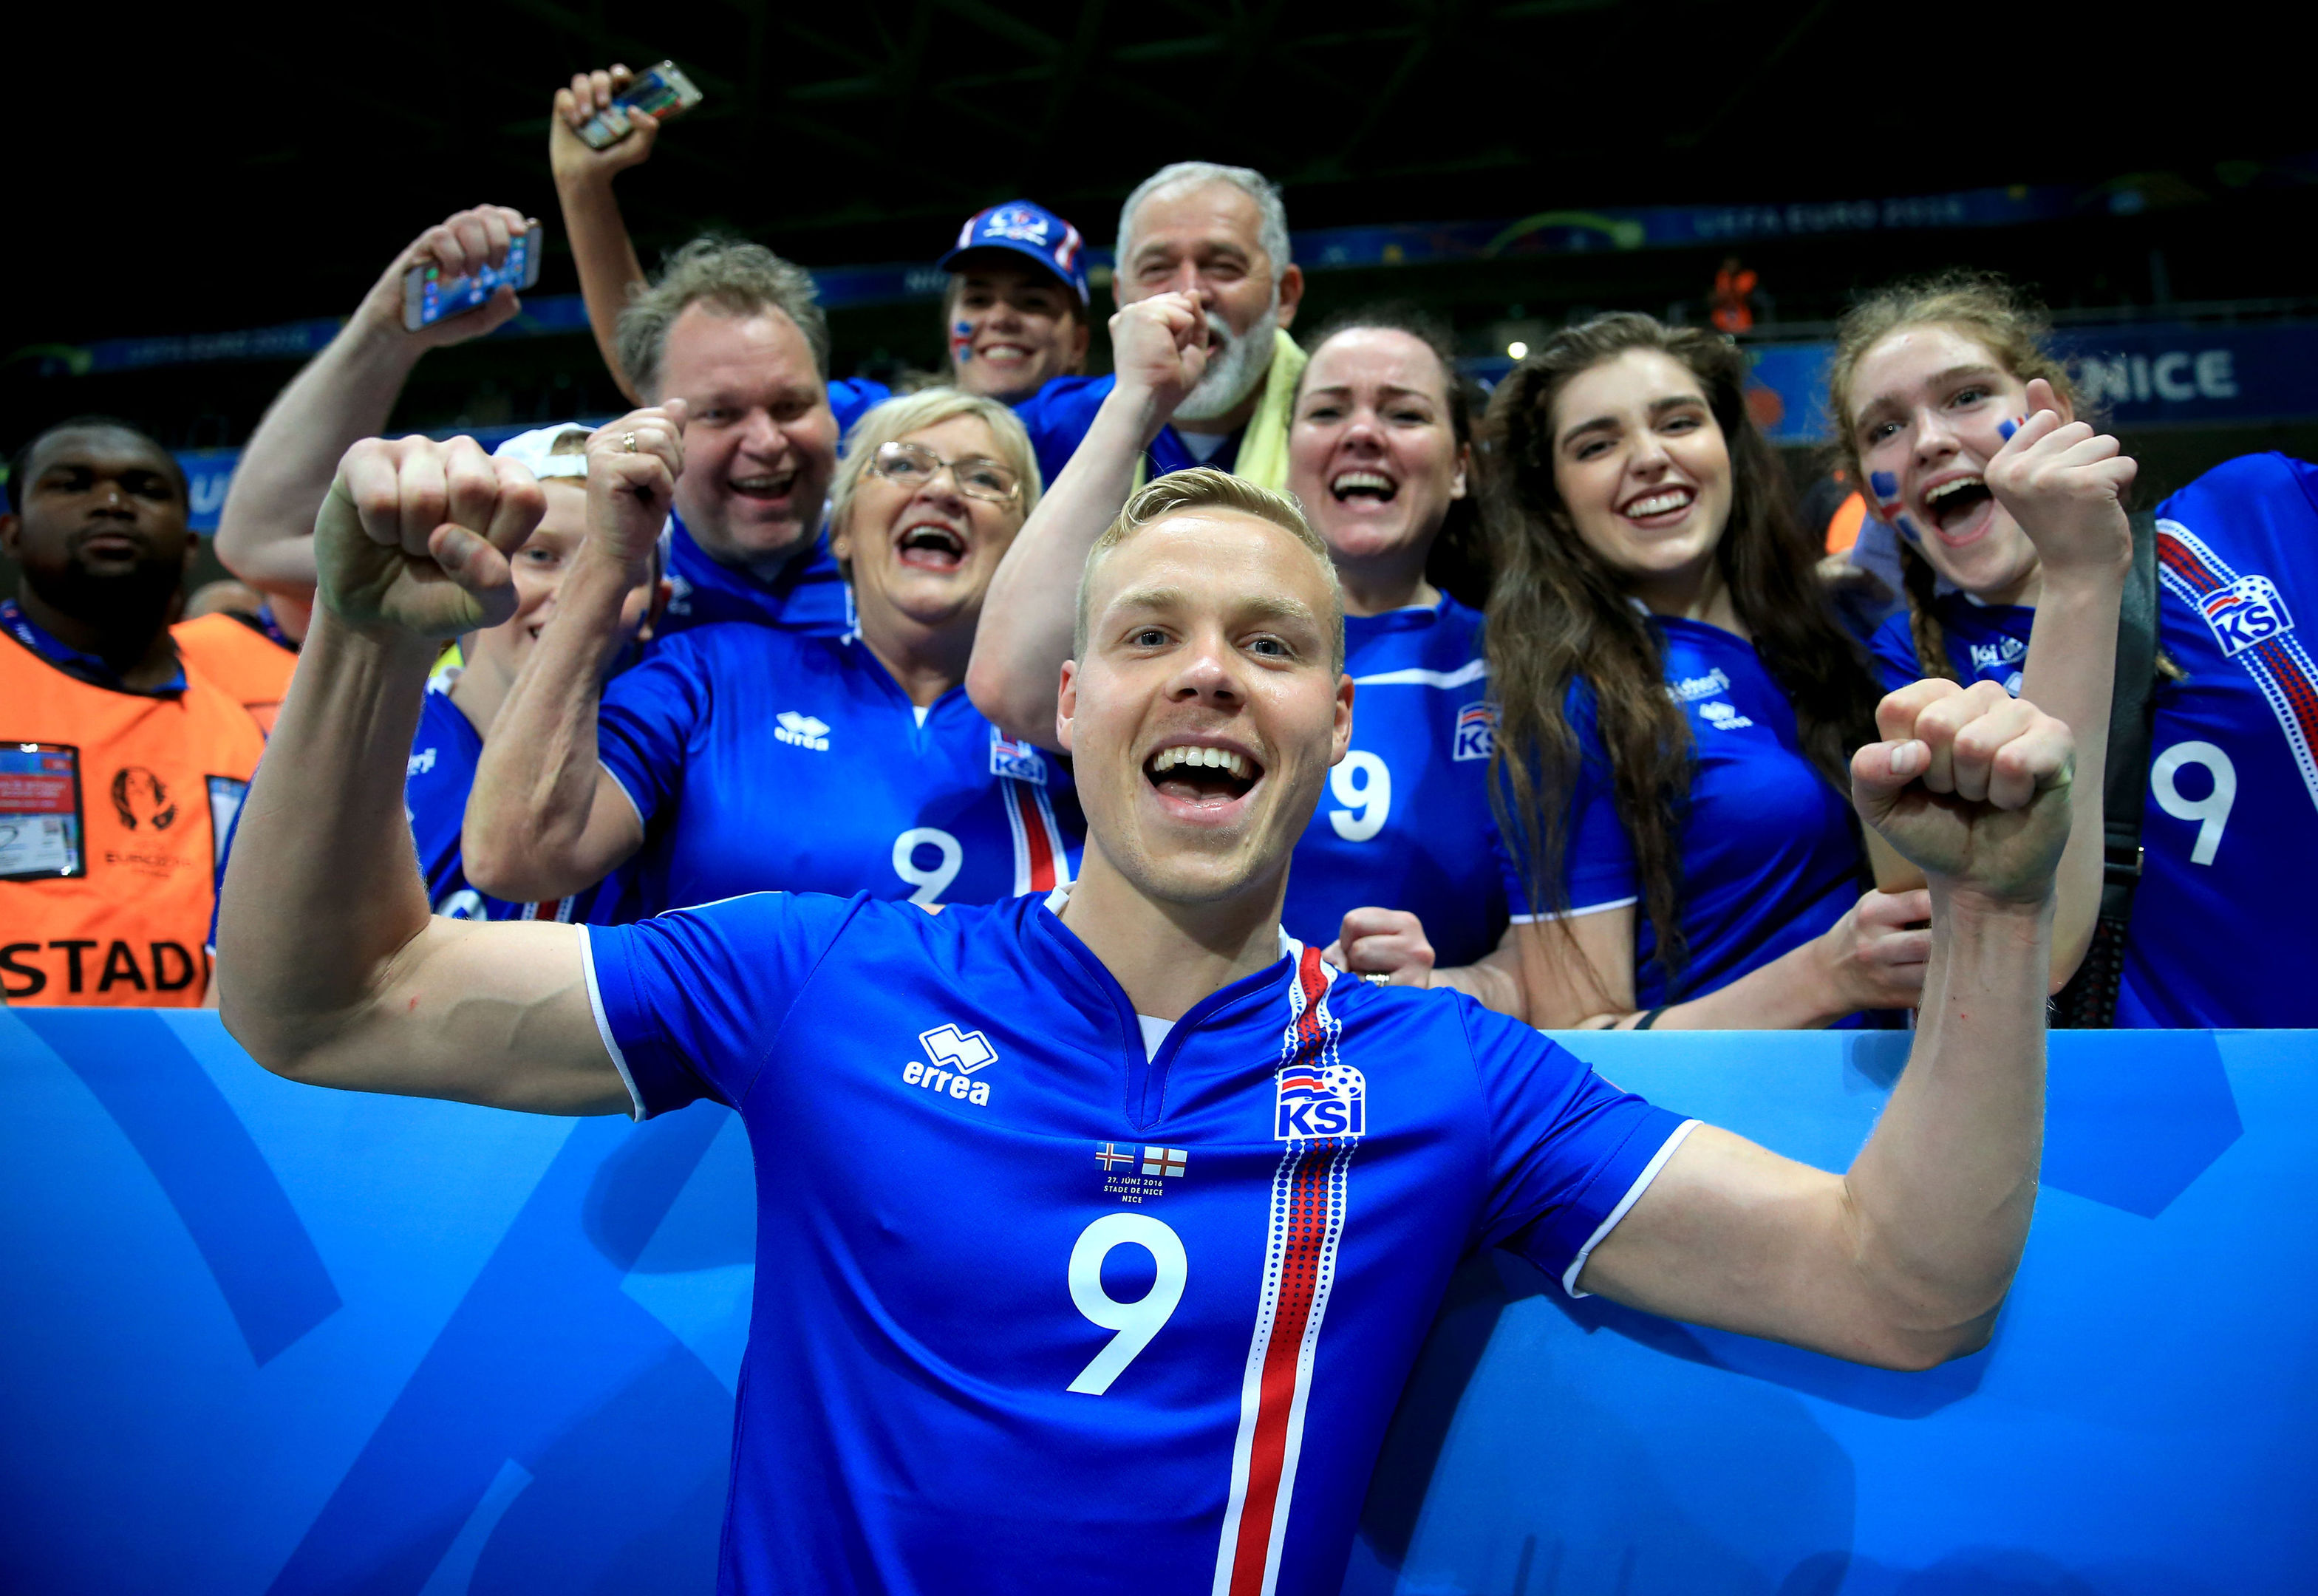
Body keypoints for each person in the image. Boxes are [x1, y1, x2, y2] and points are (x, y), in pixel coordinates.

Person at [219, 435, 2073, 1594]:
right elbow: (328, 1002)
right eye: (1158, 635)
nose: (1211, 669)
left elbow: (1897, 1290)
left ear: (1333, 727)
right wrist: (367, 648)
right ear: (1070, 705)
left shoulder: (1446, 1074)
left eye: (1272, 643)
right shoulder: (821, 971)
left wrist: (1988, 912)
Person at [1354, 313, 1918, 1029]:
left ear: (1726, 446)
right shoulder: (1566, 698)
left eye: (1677, 422)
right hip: (1738, 1125)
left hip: (1895, 1102)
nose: (1648, 457)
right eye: (1596, 444)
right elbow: (1585, 1037)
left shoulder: (1832, 627)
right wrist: (1830, 976)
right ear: (1555, 504)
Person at [1831, 273, 2315, 1026]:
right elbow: (2036, 952)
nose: (1927, 441)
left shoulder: (2258, 507)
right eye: (1883, 429)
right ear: (1869, 490)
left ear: (2047, 412)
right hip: (2165, 1123)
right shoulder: (1903, 676)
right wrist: (2075, 573)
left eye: (1963, 397)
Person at [969, 302, 1507, 965]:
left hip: (1373, 1058)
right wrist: (1136, 399)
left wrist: (1420, 1001)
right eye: (1328, 411)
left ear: (1458, 467)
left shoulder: (1516, 671)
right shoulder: (1176, 649)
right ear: (1288, 448)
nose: (1363, 433)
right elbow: (1007, 684)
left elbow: (1559, 967)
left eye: (1404, 413)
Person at [462, 389, 1080, 917]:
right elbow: (516, 855)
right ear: (840, 528)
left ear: (1025, 542)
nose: (943, 488)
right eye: (902, 464)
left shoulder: (1075, 725)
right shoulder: (709, 673)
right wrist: (609, 558)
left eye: (985, 479)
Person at [550, 66, 1089, 406]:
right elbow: (656, 377)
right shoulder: (881, 423)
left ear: (1080, 342)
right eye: (977, 297)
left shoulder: (1123, 423)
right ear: (949, 322)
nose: (1000, 317)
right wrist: (583, 189)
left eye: (1034, 300)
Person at [2, 418, 263, 1006]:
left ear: (190, 545)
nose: (113, 503)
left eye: (145, 490)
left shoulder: (241, 734)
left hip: (187, 1082)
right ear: (10, 533)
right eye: (72, 485)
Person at [211, 204, 541, 658]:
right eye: (540, 555)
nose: (559, 592)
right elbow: (257, 546)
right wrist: (385, 331)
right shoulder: (459, 570)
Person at [1012, 160, 1308, 494]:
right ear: (1120, 296)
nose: (1189, 292)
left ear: (1284, 296)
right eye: (1156, 269)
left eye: (1223, 267)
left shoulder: (1350, 437)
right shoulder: (1053, 428)